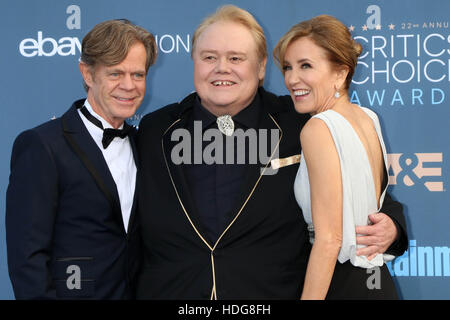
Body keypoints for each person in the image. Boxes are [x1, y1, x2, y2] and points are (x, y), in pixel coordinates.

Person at [136, 5, 407, 299]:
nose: (221, 68)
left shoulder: (300, 123)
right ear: (194, 63)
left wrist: (391, 227)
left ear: (262, 67)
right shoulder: (155, 129)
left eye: (236, 58)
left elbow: (358, 186)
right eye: (209, 57)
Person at [5, 19, 157, 299]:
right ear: (87, 74)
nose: (129, 86)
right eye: (115, 74)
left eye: (138, 75)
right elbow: (27, 259)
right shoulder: (42, 146)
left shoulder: (144, 143)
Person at [273, 15, 403, 299]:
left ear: (341, 73)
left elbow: (330, 240)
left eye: (306, 65)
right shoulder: (368, 117)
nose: (292, 79)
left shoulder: (318, 128)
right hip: (376, 281)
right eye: (287, 67)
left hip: (341, 282)